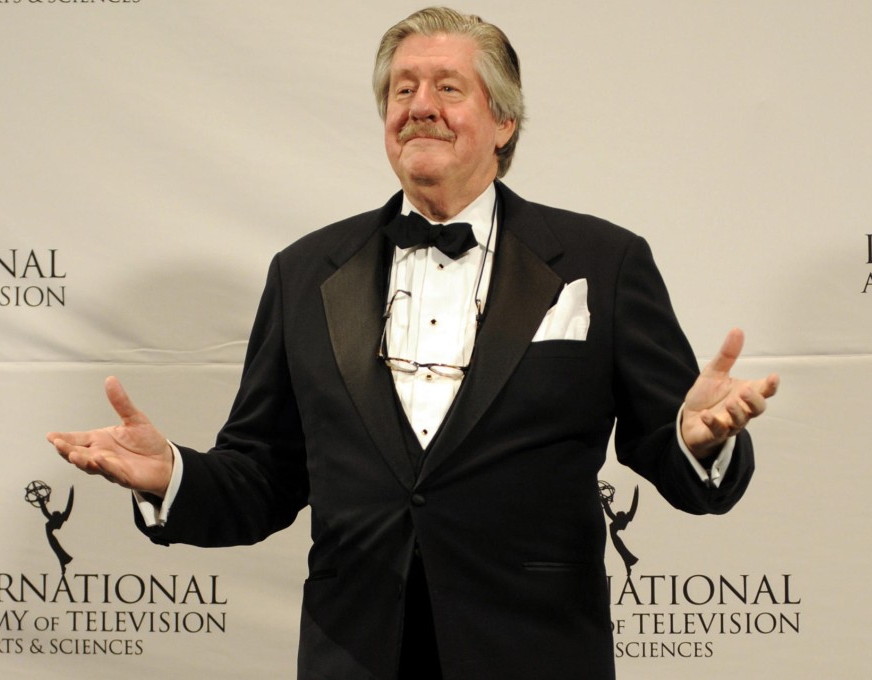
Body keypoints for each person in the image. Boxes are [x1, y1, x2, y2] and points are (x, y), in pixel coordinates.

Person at [48, 7, 779, 679]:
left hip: (535, 653)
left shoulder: (604, 262)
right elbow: (265, 475)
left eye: (447, 88)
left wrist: (699, 441)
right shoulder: (305, 273)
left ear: (504, 121)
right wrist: (172, 476)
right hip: (357, 653)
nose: (419, 106)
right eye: (402, 90)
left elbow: (670, 452)